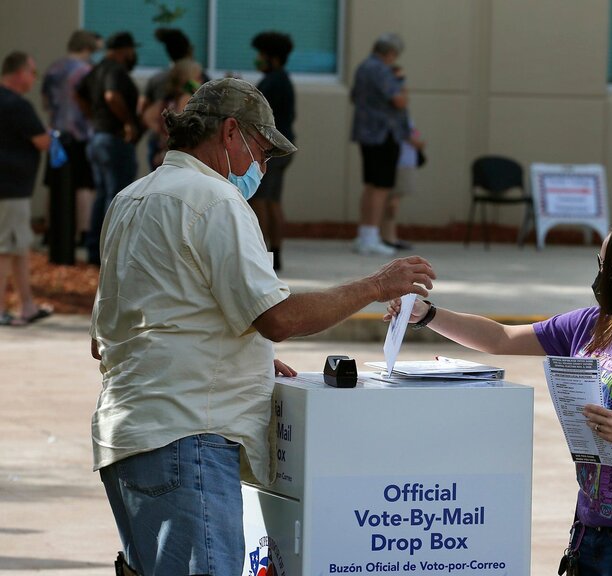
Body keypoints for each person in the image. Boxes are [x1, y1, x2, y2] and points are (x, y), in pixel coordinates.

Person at [90, 77, 435, 576]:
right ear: (231, 132)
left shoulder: (132, 198)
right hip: (186, 435)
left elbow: (124, 330)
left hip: (128, 436)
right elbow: (277, 317)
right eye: (262, 151)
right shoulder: (217, 201)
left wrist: (238, 354)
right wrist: (376, 286)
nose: (262, 166)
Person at [387, 218, 612, 575]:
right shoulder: (591, 325)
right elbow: (501, 339)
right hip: (588, 528)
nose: (603, 278)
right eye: (601, 265)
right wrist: (428, 314)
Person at [76, 31, 141, 266]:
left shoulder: (97, 69)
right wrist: (128, 123)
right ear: (123, 51)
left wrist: (94, 118)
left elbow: (78, 94)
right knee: (117, 197)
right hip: (113, 141)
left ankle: (95, 252)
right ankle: (110, 255)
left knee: (102, 195)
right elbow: (112, 96)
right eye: (132, 50)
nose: (134, 55)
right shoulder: (115, 70)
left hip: (97, 139)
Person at [0, 52, 53, 326]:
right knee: (6, 249)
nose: (34, 79)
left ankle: (27, 306)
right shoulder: (18, 106)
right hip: (12, 189)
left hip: (9, 188)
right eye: (32, 73)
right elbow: (43, 142)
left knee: (18, 247)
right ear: (20, 73)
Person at [42, 30, 102, 253]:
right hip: (81, 133)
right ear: (87, 48)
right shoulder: (87, 71)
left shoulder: (54, 68)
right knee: (84, 185)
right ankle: (82, 232)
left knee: (53, 182)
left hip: (57, 132)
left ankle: (50, 230)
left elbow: (46, 101)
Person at [350, 33, 410, 256]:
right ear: (391, 53)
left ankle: (364, 234)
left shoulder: (363, 67)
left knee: (370, 185)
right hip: (384, 134)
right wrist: (401, 82)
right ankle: (372, 237)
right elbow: (399, 101)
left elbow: (354, 97)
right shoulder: (383, 70)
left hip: (366, 133)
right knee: (381, 187)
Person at [250, 31, 296, 271]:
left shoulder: (273, 82)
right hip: (283, 146)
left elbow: (254, 111)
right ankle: (276, 254)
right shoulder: (281, 79)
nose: (257, 59)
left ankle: (263, 253)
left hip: (271, 149)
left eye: (260, 54)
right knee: (273, 201)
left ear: (272, 58)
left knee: (261, 200)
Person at [141, 27, 206, 171]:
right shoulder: (191, 95)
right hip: (184, 150)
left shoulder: (157, 80)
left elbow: (144, 112)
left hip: (161, 145)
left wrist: (161, 131)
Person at [381, 65, 425, 251]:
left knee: (394, 199)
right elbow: (403, 132)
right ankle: (387, 237)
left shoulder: (402, 106)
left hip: (406, 159)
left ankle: (390, 235)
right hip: (400, 160)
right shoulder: (393, 105)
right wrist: (416, 143)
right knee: (392, 201)